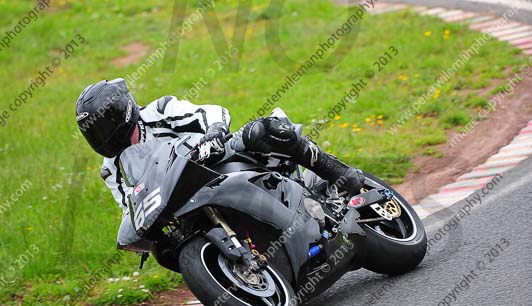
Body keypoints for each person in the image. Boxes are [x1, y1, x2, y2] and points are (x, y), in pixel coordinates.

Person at [75, 78, 363, 213]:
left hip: (218, 158)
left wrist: (214, 133)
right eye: (94, 133)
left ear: (121, 113)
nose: (102, 137)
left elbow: (212, 112)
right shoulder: (111, 170)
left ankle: (337, 173)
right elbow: (130, 209)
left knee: (262, 131)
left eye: (103, 126)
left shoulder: (159, 111)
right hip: (182, 202)